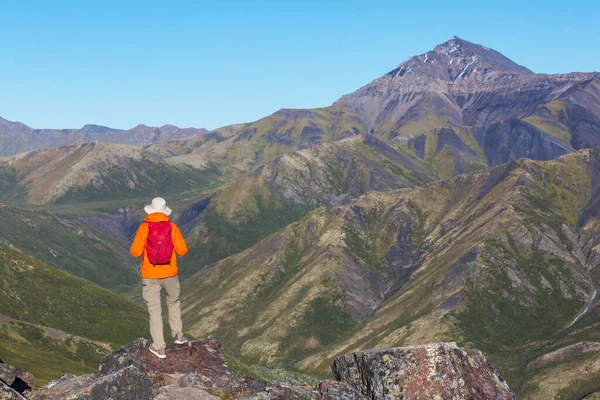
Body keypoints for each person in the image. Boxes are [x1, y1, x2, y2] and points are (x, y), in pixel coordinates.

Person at [130, 197, 189, 359]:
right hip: (170, 274)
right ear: (164, 211)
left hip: (150, 275)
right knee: (173, 302)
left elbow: (135, 252)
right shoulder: (172, 227)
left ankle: (159, 347)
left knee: (155, 310)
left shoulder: (144, 228)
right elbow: (183, 250)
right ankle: (178, 336)